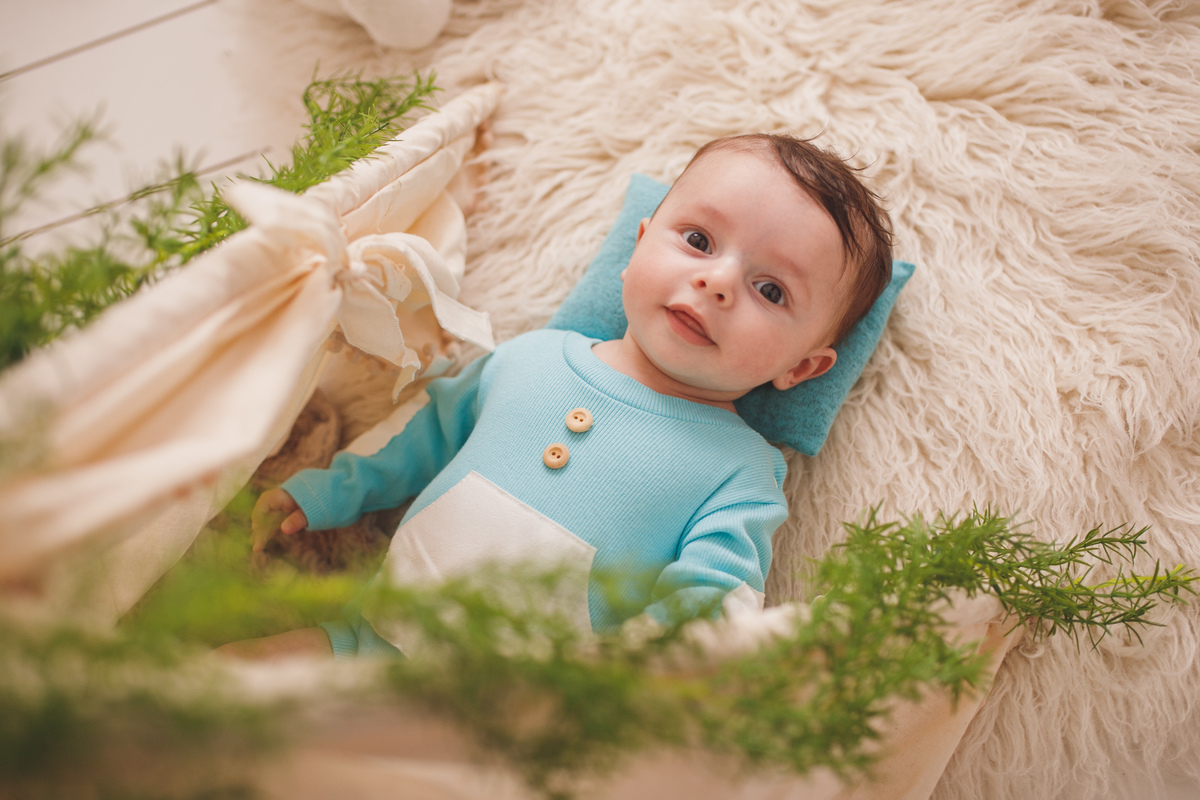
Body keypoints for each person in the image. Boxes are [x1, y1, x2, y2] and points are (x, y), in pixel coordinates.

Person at [217, 133, 893, 661]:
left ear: (803, 368)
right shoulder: (530, 357)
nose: (717, 281)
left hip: (523, 726)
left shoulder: (741, 473)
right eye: (697, 240)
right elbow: (421, 436)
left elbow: (713, 612)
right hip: (364, 647)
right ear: (636, 249)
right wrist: (325, 492)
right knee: (206, 690)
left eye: (770, 290)